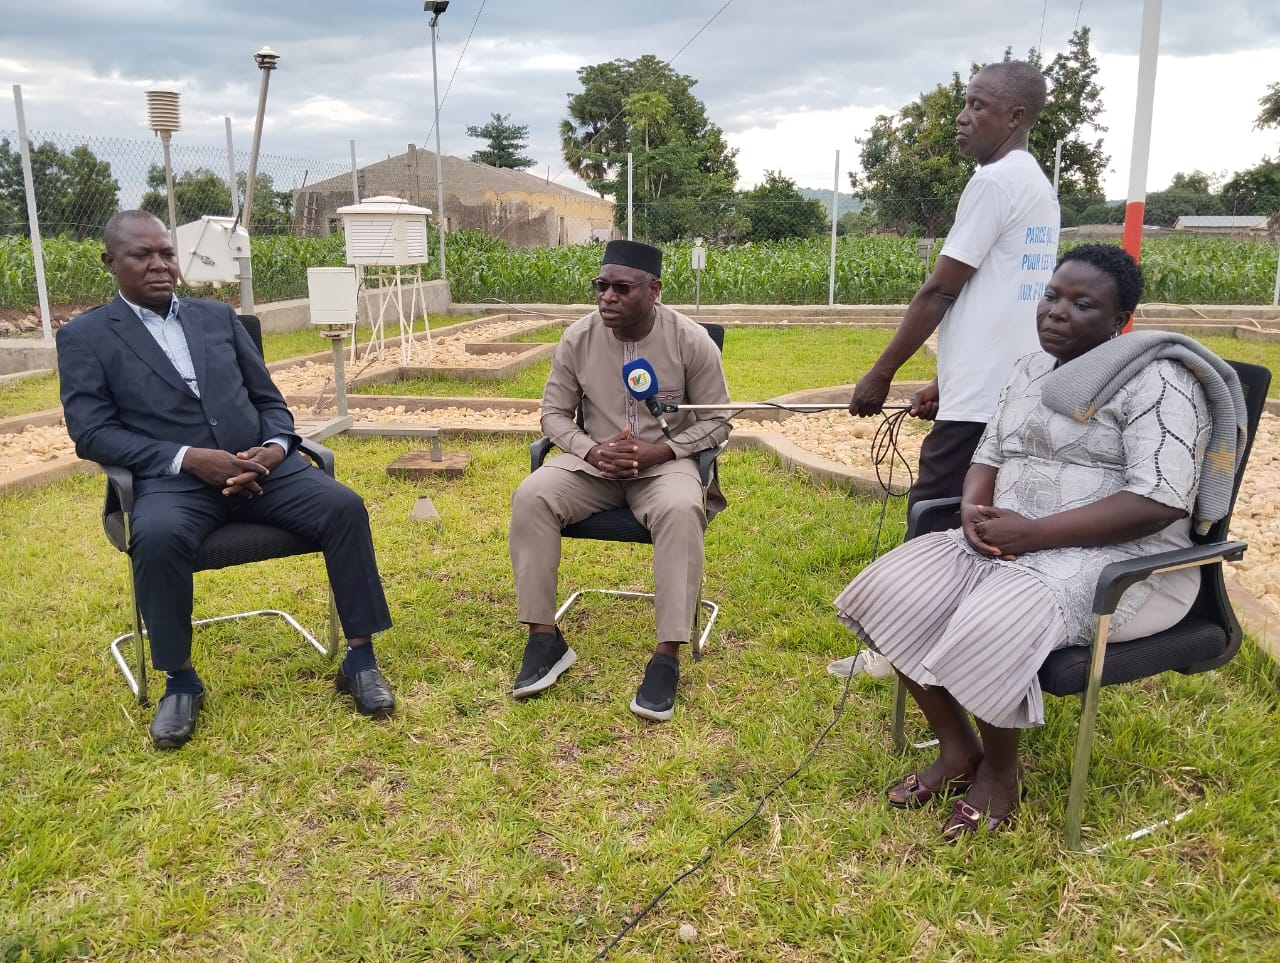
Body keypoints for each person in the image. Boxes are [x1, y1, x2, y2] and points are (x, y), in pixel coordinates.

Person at [833, 244, 1245, 840]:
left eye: (1082, 304)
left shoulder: (1160, 381)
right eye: (1052, 296)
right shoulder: (1029, 368)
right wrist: (975, 508)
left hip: (1122, 565)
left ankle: (1002, 772)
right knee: (892, 591)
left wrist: (1036, 533)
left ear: (1120, 319)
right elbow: (990, 453)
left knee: (990, 619)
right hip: (1011, 537)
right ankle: (958, 750)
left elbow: (1159, 502)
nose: (1057, 312)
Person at [58, 210, 396, 749]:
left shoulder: (217, 318)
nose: (159, 265)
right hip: (174, 481)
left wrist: (274, 449)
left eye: (166, 254)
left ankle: (360, 658)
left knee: (343, 507)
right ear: (110, 263)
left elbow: (268, 401)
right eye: (141, 256)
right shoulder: (86, 336)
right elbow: (93, 434)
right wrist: (190, 458)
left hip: (263, 471)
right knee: (159, 536)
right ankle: (180, 681)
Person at [508, 239, 731, 722]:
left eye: (621, 288)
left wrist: (664, 450)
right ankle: (544, 639)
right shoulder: (578, 339)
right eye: (601, 286)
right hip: (594, 464)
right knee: (532, 496)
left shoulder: (690, 339)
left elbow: (717, 420)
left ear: (654, 291)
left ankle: (667, 655)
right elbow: (552, 413)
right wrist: (591, 449)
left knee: (679, 507)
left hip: (663, 463)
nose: (607, 297)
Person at [848, 60, 1060, 512]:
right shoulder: (1034, 183)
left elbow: (941, 292)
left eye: (978, 106)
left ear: (1015, 117)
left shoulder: (995, 182)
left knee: (931, 517)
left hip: (981, 404)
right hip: (1010, 390)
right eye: (965, 104)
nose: (962, 117)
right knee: (982, 516)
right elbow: (1003, 299)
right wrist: (946, 382)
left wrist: (880, 375)